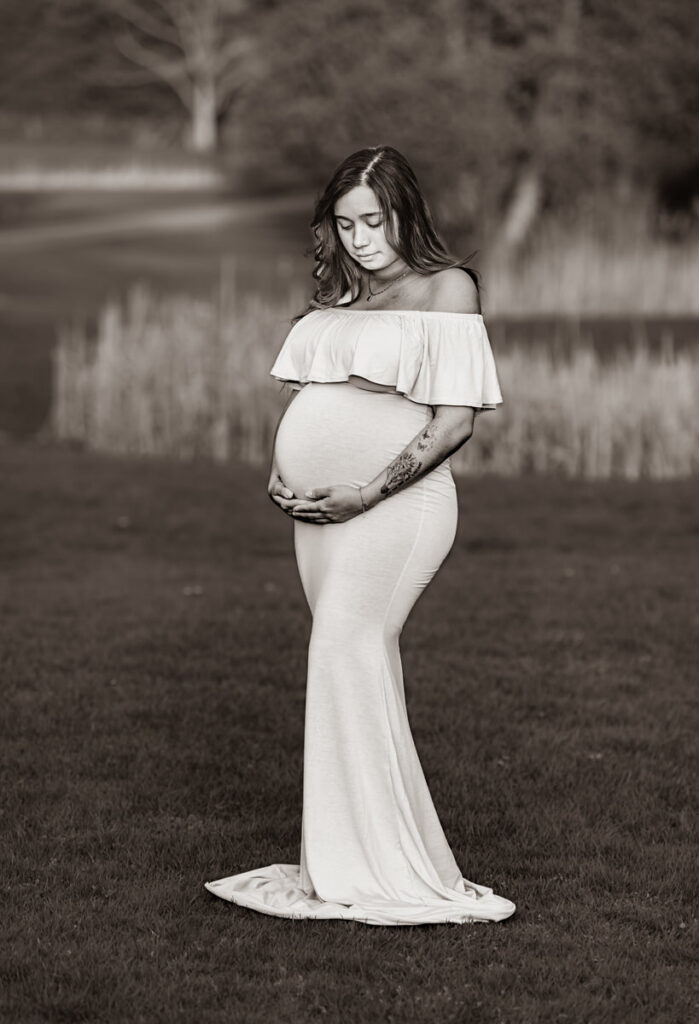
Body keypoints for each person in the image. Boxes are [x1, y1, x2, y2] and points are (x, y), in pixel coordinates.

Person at [205, 146, 515, 926]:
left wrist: (366, 491)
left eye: (373, 221)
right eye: (344, 224)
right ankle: (354, 856)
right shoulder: (342, 299)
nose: (360, 239)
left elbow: (453, 424)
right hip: (321, 517)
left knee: (342, 649)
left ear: (405, 212)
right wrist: (286, 474)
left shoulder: (448, 288)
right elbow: (320, 400)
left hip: (396, 509)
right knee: (353, 667)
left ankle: (373, 868)